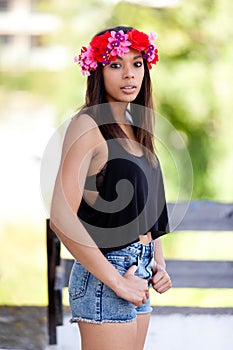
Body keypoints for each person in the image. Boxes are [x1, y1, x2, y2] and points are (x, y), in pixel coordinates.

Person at [50, 25, 172, 350]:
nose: (129, 75)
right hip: (107, 275)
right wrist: (117, 281)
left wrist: (158, 263)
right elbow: (61, 217)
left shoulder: (136, 128)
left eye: (137, 63)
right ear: (97, 71)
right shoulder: (88, 126)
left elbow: (147, 210)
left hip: (139, 269)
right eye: (116, 65)